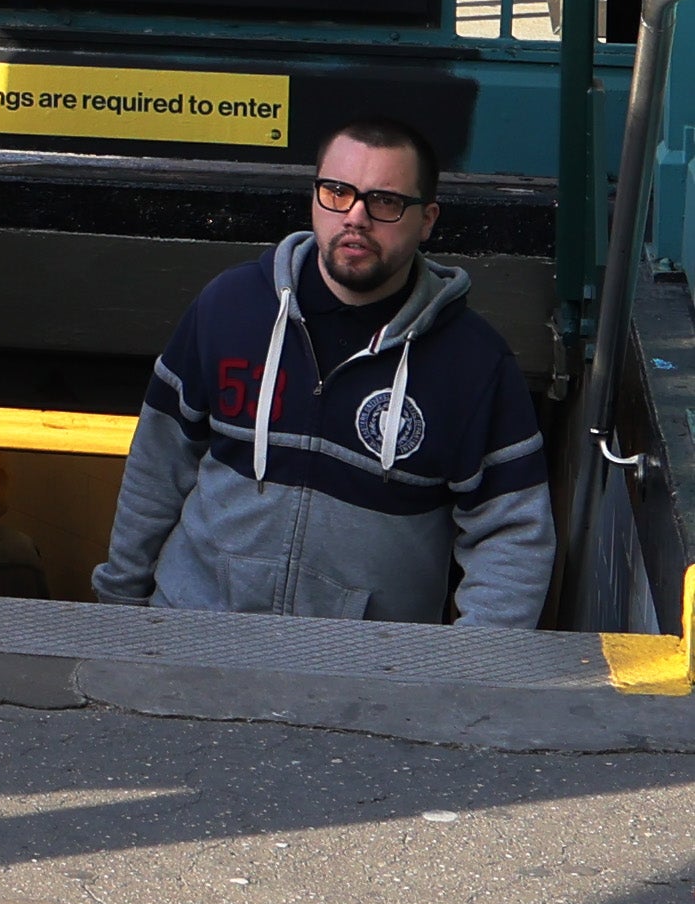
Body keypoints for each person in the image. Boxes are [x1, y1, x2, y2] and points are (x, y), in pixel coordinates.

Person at [94, 121, 549, 626]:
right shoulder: (229, 307)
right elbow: (157, 467)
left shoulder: (474, 363)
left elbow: (512, 533)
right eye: (337, 192)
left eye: (385, 201)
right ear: (314, 197)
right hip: (194, 632)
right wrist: (122, 607)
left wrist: (470, 669)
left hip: (368, 673)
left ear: (427, 219)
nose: (356, 217)